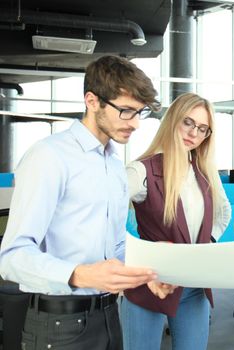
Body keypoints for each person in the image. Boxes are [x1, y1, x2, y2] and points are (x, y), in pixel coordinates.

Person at [0, 55, 160, 350]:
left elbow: (115, 248)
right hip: (59, 326)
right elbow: (11, 257)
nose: (136, 124)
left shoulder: (114, 164)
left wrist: (147, 274)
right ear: (92, 100)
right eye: (126, 111)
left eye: (141, 113)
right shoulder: (49, 156)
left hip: (110, 316)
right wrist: (80, 274)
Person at [120, 92, 231, 350]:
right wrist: (131, 256)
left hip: (193, 286)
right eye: (188, 122)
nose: (193, 133)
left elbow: (223, 212)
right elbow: (103, 213)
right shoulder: (141, 171)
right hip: (147, 285)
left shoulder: (203, 172)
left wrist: (207, 240)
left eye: (202, 129)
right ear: (173, 120)